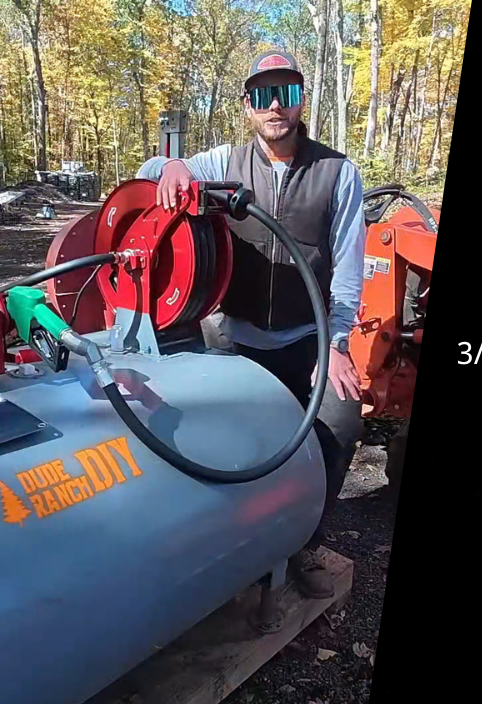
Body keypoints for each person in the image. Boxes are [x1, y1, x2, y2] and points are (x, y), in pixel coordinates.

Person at [135, 50, 366, 599]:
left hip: (309, 339)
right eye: (262, 96)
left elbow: (350, 275)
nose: (274, 106)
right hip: (235, 339)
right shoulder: (225, 163)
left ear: (301, 99)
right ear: (247, 107)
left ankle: (305, 542)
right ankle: (243, 547)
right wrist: (171, 166)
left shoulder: (338, 173)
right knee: (229, 439)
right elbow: (150, 175)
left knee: (341, 424)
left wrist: (335, 344)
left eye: (285, 92)